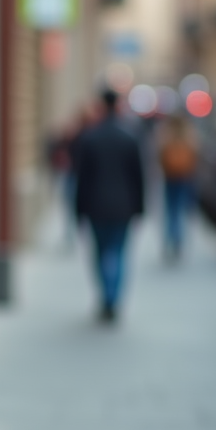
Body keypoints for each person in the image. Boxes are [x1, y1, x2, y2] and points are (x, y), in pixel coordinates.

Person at [71, 88, 144, 322]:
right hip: (123, 207)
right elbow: (138, 177)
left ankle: (106, 297)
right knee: (119, 254)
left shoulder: (91, 137)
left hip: (96, 207)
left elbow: (82, 178)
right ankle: (113, 298)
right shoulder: (129, 136)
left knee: (101, 254)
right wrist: (140, 207)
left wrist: (78, 210)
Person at [156, 114, 199, 260]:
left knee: (171, 210)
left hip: (170, 177)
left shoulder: (166, 134)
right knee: (181, 210)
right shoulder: (189, 135)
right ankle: (178, 240)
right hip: (185, 177)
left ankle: (170, 239)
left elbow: (159, 154)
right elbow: (195, 154)